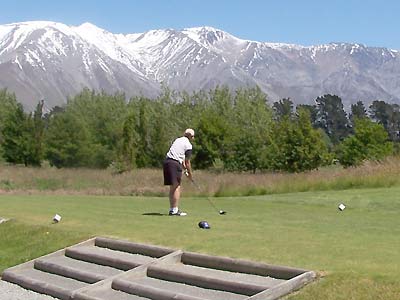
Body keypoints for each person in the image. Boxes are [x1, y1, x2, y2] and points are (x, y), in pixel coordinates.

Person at [163, 128, 195, 216]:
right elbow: (187, 162)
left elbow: (183, 160)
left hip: (167, 162)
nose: (193, 138)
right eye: (193, 136)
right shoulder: (188, 145)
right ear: (190, 136)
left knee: (173, 187)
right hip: (174, 163)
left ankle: (172, 209)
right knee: (177, 186)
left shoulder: (178, 140)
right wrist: (190, 175)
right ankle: (175, 210)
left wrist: (185, 170)